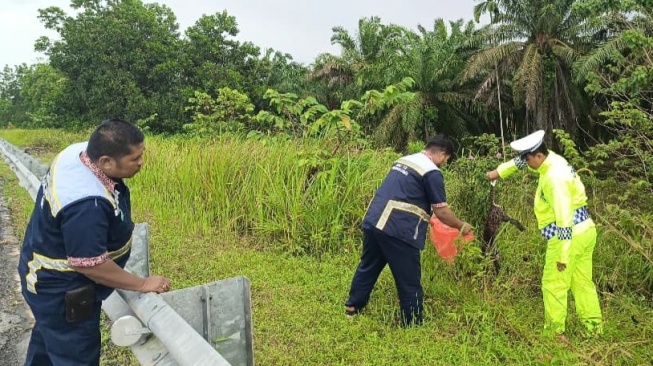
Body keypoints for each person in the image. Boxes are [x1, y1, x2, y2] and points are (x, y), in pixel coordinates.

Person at [18, 118, 171, 366]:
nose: (141, 162)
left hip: (39, 276)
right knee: (75, 355)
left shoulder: (76, 153)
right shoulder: (87, 205)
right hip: (62, 292)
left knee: (48, 343)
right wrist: (142, 283)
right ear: (106, 162)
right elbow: (90, 265)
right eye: (135, 158)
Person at [485, 130, 602, 339]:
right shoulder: (553, 159)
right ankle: (594, 329)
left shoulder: (554, 179)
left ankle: (555, 335)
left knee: (554, 284)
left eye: (529, 160)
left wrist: (563, 256)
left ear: (538, 156)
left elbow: (564, 217)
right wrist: (499, 172)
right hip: (586, 230)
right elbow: (522, 162)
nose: (527, 164)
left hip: (567, 236)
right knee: (583, 283)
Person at [345, 135, 472, 326]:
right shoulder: (431, 171)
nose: (445, 163)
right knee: (409, 278)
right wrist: (461, 225)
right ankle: (412, 322)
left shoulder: (404, 161)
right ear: (443, 154)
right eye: (447, 159)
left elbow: (405, 194)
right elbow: (443, 212)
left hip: (374, 220)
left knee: (368, 265)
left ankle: (352, 308)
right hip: (397, 229)